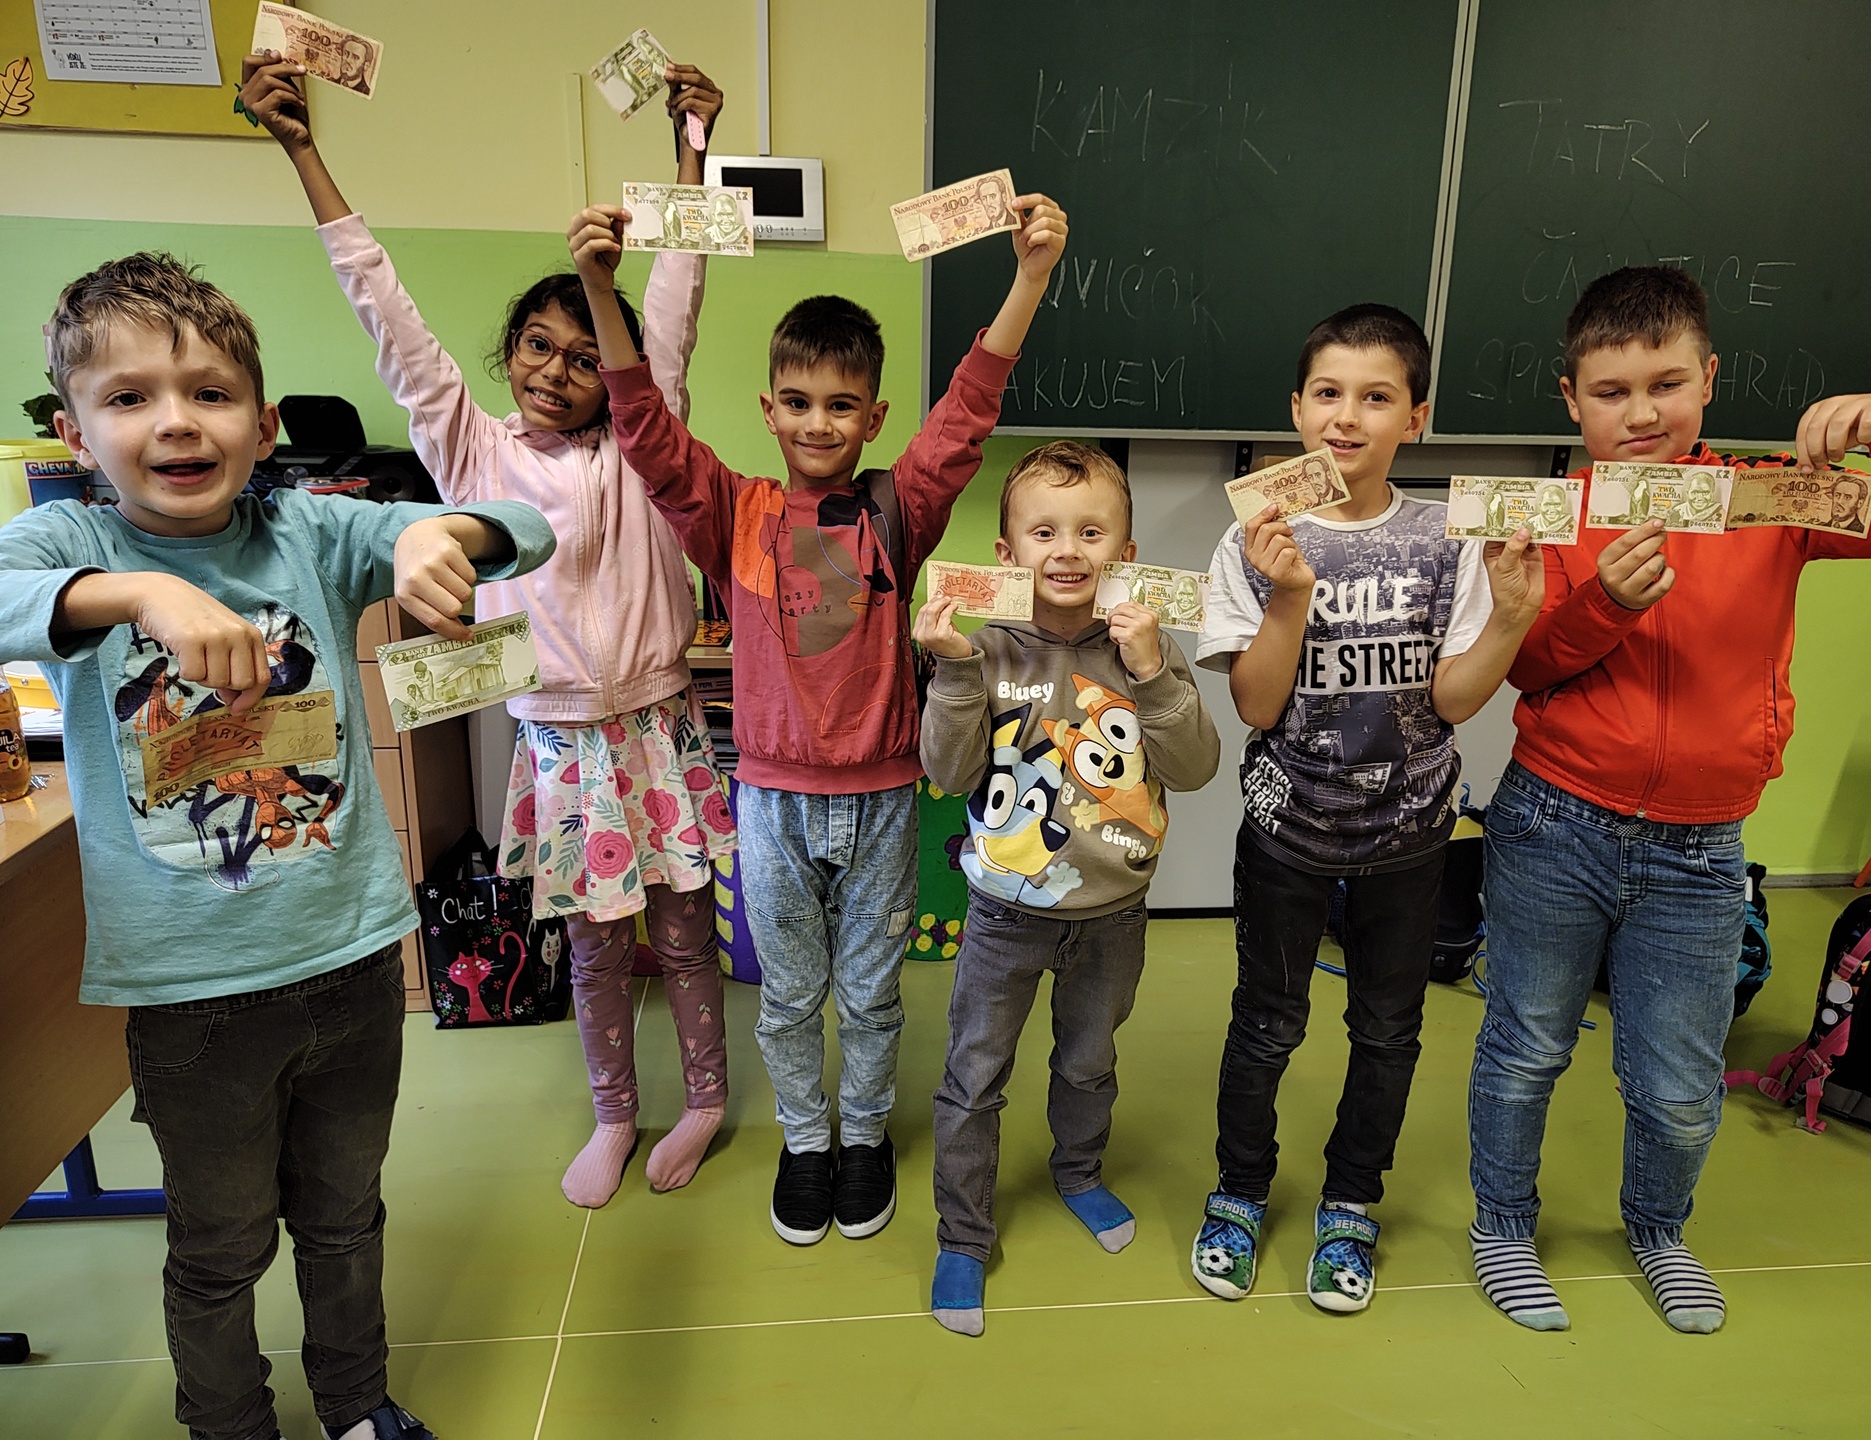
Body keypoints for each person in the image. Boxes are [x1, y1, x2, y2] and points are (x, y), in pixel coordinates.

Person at [0, 253, 553, 1440]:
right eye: (130, 397)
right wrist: (136, 597)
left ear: (262, 424)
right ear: (75, 431)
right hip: (191, 995)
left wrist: (441, 534)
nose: (176, 421)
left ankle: (355, 1404)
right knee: (220, 1245)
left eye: (210, 393)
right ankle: (230, 1424)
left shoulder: (309, 529)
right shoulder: (64, 543)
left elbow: (526, 527)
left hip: (350, 966)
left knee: (345, 1218)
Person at [240, 54, 740, 1204]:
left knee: (684, 933)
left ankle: (706, 1098)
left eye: (586, 354)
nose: (560, 370)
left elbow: (676, 295)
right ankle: (613, 1114)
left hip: (657, 724)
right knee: (596, 946)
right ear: (507, 355)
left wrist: (691, 148)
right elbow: (384, 307)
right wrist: (304, 150)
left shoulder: (644, 435)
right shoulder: (470, 447)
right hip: (559, 741)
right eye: (538, 347)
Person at [569, 185, 1069, 1246]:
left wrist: (1028, 278)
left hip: (884, 802)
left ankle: (863, 1136)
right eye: (796, 402)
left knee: (874, 997)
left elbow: (968, 412)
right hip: (772, 806)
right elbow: (646, 430)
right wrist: (601, 294)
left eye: (842, 406)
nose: (817, 423)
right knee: (790, 998)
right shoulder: (734, 512)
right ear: (768, 409)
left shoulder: (900, 507)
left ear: (874, 418)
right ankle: (806, 1142)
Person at [1468, 264, 1871, 1336]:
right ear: (1571, 399)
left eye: (1665, 385)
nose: (1641, 414)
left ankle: (1659, 1230)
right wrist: (1603, 608)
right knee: (1525, 1046)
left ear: (1709, 379)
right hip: (1553, 822)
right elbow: (1524, 667)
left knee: (1678, 1081)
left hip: (1703, 849)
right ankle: (1502, 1224)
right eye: (1611, 391)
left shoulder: (1776, 498)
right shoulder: (1548, 515)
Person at [1189, 304, 1544, 1313]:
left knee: (1388, 1031)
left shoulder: (1447, 539)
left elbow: (1454, 701)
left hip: (1410, 835)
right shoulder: (1252, 538)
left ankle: (1351, 1200)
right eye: (1329, 393)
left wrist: (1512, 619)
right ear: (1297, 409)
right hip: (1286, 831)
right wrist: (1290, 595)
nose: (1348, 416)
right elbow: (1258, 707)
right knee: (1267, 1023)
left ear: (1415, 417)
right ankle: (1240, 1188)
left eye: (1377, 396)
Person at [915, 442, 1219, 1335]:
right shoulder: (982, 647)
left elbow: (1196, 768)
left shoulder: (1144, 645)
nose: (1068, 550)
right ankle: (963, 1233)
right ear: (1006, 553)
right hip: (1003, 914)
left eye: (1092, 532)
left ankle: (1078, 1172)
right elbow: (946, 772)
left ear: (1125, 552)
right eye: (1043, 531)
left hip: (1114, 915)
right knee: (974, 1076)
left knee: (1089, 1061)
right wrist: (954, 670)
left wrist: (1153, 671)